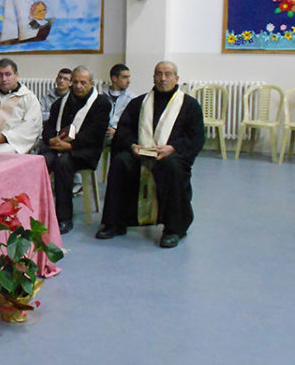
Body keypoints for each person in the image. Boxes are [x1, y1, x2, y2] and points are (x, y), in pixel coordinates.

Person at [95, 61, 204, 248]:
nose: (163, 79)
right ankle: (115, 222)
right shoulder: (139, 103)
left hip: (171, 155)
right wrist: (133, 146)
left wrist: (173, 148)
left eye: (168, 74)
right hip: (140, 154)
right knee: (122, 162)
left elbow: (195, 137)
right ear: (153, 77)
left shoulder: (189, 105)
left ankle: (173, 229)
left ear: (176, 78)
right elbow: (124, 131)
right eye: (159, 74)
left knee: (171, 167)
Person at [41, 66, 110, 234]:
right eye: (76, 82)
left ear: (92, 84)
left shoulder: (101, 103)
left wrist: (71, 145)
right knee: (41, 160)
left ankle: (64, 218)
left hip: (85, 151)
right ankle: (39, 211)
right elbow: (48, 128)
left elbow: (95, 134)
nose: (78, 86)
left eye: (83, 83)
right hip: (58, 146)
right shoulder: (60, 103)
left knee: (63, 162)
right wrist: (51, 139)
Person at [103, 63, 135, 144]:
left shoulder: (131, 98)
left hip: (120, 137)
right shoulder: (101, 94)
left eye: (128, 77)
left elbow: (132, 124)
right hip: (101, 134)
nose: (128, 81)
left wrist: (117, 132)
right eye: (125, 77)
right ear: (114, 78)